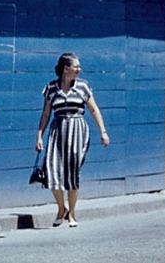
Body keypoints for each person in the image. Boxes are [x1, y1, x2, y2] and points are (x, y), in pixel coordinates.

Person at [35, 53, 109, 227]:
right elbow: (46, 113)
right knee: (52, 170)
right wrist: (39, 135)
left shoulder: (83, 86)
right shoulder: (51, 88)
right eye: (76, 67)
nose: (79, 70)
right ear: (65, 68)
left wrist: (103, 131)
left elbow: (94, 109)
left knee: (72, 172)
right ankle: (61, 208)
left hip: (77, 129)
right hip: (57, 129)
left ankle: (72, 214)